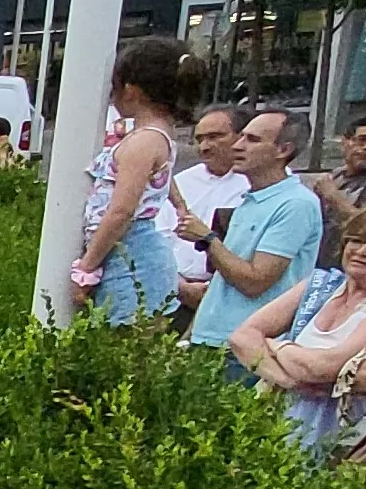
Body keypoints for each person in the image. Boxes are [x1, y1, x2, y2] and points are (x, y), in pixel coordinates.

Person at [68, 38, 197, 324]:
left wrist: (85, 269)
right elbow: (160, 177)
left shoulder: (143, 142)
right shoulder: (157, 135)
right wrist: (180, 204)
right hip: (129, 254)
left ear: (130, 90)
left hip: (130, 258)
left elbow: (122, 211)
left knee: (126, 342)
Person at [186, 110, 327, 361]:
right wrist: (191, 335)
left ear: (283, 149)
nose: (237, 146)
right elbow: (222, 280)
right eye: (241, 136)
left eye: (252, 139)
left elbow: (255, 282)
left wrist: (207, 239)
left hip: (246, 348)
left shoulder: (296, 204)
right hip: (209, 340)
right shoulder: (252, 199)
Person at [227, 209, 366, 460]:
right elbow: (242, 337)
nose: (361, 251)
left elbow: (325, 367)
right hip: (279, 423)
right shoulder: (322, 284)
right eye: (356, 240)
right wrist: (289, 382)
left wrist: (277, 346)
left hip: (338, 437)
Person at [160, 107, 243, 313]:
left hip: (234, 295)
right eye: (199, 139)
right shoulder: (182, 182)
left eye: (214, 137)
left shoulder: (258, 185)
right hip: (175, 293)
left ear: (241, 137)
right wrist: (181, 286)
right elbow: (159, 239)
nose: (204, 147)